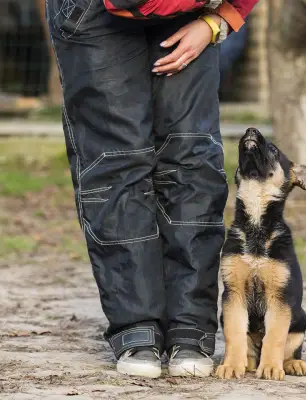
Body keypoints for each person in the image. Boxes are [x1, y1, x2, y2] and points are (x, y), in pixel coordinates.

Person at [46, 0, 258, 379]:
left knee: (191, 159)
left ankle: (190, 328)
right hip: (95, 13)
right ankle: (136, 327)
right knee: (117, 161)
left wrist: (216, 21)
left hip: (191, 9)